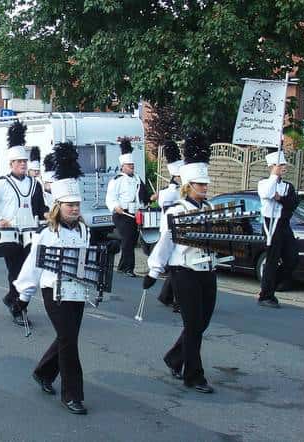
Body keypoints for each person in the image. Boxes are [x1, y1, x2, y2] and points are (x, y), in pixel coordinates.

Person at [14, 141, 89, 414]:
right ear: (58, 206)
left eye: (77, 204)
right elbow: (32, 266)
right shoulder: (46, 234)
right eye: (69, 205)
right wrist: (23, 297)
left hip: (77, 291)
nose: (74, 209)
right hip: (53, 291)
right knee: (69, 341)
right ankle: (72, 395)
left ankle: (44, 372)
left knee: (67, 338)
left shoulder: (84, 231)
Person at [143, 130, 218, 394]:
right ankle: (194, 376)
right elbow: (165, 243)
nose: (205, 188)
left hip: (207, 269)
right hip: (184, 272)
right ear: (188, 185)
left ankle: (175, 358)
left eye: (206, 184)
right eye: (200, 185)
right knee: (193, 325)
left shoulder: (209, 209)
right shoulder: (175, 211)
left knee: (202, 322)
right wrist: (153, 272)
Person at [0, 120, 47, 326]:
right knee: (16, 272)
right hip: (10, 234)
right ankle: (19, 309)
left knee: (30, 273)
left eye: (24, 162)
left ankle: (11, 299)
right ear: (11, 164)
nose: (23, 165)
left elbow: (40, 209)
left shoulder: (35, 184)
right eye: (19, 162)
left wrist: (49, 216)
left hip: (31, 235)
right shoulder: (2, 183)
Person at [256, 148, 299, 308]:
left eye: (284, 164)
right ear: (272, 166)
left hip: (283, 223)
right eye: (280, 165)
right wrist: (274, 175)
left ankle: (269, 287)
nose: (284, 167)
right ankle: (266, 295)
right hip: (270, 223)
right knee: (272, 259)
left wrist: (279, 198)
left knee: (292, 257)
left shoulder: (288, 186)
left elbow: (292, 204)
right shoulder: (264, 183)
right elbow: (267, 193)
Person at [105, 138, 150, 277]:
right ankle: (129, 268)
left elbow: (143, 195)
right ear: (123, 166)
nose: (132, 167)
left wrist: (150, 199)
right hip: (122, 214)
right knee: (127, 239)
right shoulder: (116, 180)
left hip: (134, 213)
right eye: (129, 165)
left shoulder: (137, 178)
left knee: (131, 240)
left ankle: (122, 266)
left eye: (132, 165)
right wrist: (115, 207)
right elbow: (110, 198)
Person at [156, 140, 184, 312]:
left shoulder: (180, 190)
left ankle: (166, 295)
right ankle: (178, 302)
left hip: (180, 230)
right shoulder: (168, 193)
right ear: (176, 176)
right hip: (170, 231)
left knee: (177, 266)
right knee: (177, 267)